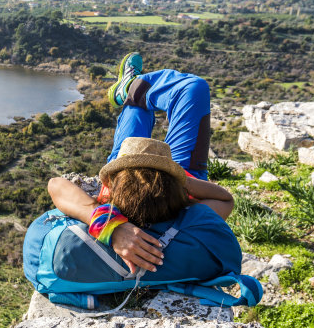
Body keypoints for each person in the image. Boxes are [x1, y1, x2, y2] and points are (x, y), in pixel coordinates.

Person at [48, 52, 234, 274]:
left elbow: (56, 185)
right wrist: (179, 178)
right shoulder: (186, 212)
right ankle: (129, 88)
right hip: (177, 170)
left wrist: (110, 227)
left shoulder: (112, 202)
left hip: (127, 163)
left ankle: (130, 88)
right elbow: (226, 199)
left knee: (137, 109)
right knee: (192, 88)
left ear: (114, 185)